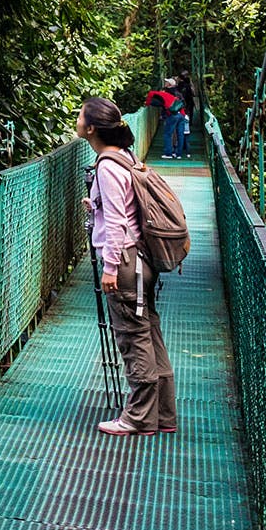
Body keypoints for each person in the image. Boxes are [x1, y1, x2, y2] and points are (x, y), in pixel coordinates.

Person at [80, 96, 177, 436]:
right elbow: (126, 208)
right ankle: (163, 415)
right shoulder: (125, 157)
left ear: (91, 128)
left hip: (124, 264)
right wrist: (96, 205)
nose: (77, 120)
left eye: (81, 116)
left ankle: (137, 418)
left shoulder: (106, 166)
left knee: (133, 339)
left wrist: (109, 268)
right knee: (149, 332)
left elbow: (119, 223)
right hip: (142, 260)